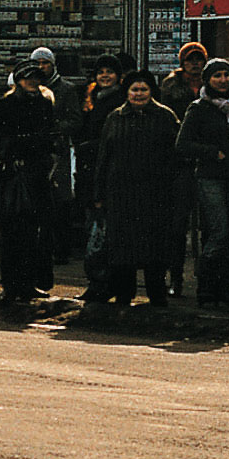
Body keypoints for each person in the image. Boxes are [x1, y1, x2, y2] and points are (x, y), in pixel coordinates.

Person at [80, 65, 187, 315]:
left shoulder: (165, 116)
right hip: (121, 196)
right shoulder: (115, 118)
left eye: (143, 89)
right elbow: (104, 159)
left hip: (155, 195)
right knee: (122, 251)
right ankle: (124, 297)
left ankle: (157, 296)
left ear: (151, 92)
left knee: (155, 250)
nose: (138, 94)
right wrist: (99, 195)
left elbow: (176, 157)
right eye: (134, 89)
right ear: (127, 93)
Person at [0, 48, 64, 317]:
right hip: (14, 175)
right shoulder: (7, 104)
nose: (33, 82)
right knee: (12, 233)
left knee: (33, 232)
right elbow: (5, 141)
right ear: (18, 80)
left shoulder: (44, 103)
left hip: (36, 174)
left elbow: (49, 136)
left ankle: (28, 283)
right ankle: (11, 284)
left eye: (36, 78)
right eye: (27, 78)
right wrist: (33, 141)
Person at [176, 61, 229, 308]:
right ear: (207, 79)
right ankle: (206, 287)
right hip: (210, 175)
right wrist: (213, 152)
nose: (223, 80)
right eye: (217, 76)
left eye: (227, 75)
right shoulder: (199, 108)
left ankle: (223, 288)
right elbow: (183, 144)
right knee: (219, 230)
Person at [70, 56, 128, 294]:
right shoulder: (90, 98)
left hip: (106, 172)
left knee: (101, 231)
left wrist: (88, 146)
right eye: (101, 72)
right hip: (87, 172)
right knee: (93, 228)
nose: (105, 76)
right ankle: (98, 281)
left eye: (110, 72)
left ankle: (102, 283)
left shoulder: (119, 100)